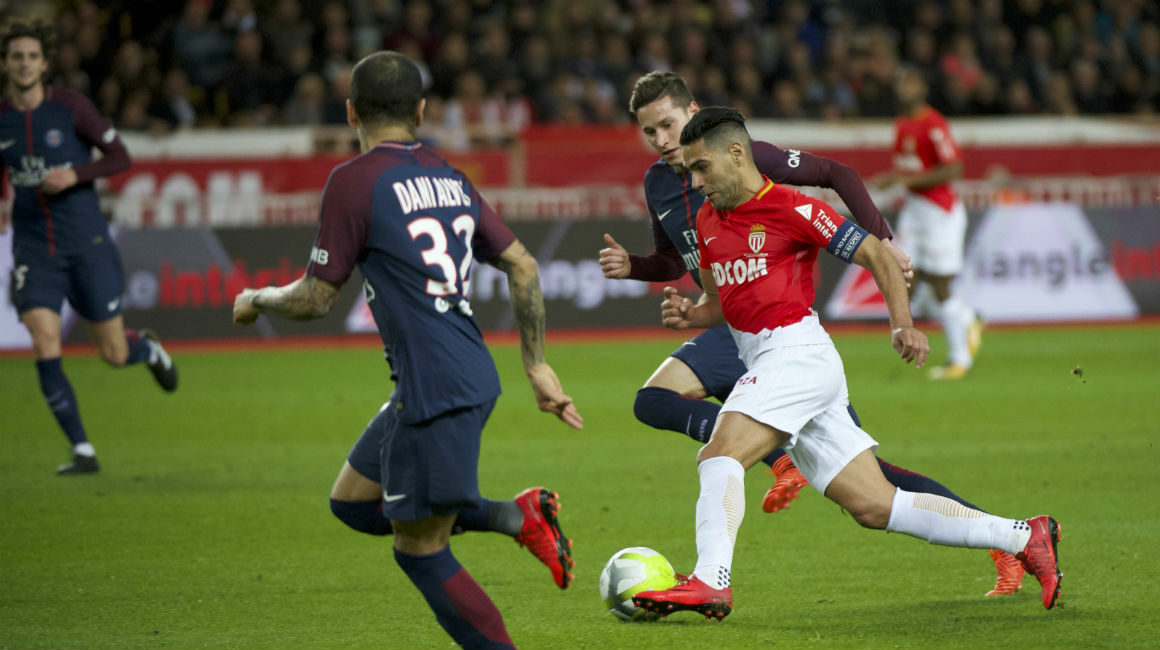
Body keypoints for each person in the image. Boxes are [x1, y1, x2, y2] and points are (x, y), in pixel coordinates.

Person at [601, 72, 1024, 597]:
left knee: (864, 480)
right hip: (731, 324)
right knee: (653, 402)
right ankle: (774, 453)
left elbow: (834, 173)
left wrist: (883, 242)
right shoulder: (661, 184)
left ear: (693, 113)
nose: (661, 140)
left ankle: (1004, 541)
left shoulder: (748, 157)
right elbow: (672, 258)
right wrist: (635, 267)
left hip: (781, 332)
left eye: (667, 125)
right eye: (649, 132)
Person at [232, 51, 583, 650]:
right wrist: (537, 364)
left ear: (350, 112)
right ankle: (516, 515)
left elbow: (315, 299)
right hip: (446, 378)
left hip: (437, 387)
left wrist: (258, 297)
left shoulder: (354, 181)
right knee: (354, 503)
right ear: (421, 111)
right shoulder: (450, 177)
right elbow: (523, 264)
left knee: (420, 548)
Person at [1, 23, 177, 475]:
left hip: (86, 241)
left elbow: (121, 157)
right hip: (34, 247)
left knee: (113, 353)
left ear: (44, 63)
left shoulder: (71, 107)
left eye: (32, 56)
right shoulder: (2, 117)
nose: (24, 63)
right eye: (17, 56)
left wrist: (74, 175)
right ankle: (82, 450)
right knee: (44, 338)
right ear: (6, 64)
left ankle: (147, 350)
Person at [875, 66, 983, 380]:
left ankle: (960, 360)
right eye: (901, 82)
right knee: (907, 278)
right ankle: (969, 318)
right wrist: (897, 179)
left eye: (910, 82)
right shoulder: (902, 124)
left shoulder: (933, 124)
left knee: (941, 285)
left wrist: (903, 180)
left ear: (922, 88)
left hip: (939, 212)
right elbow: (909, 170)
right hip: (915, 211)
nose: (903, 88)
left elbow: (954, 168)